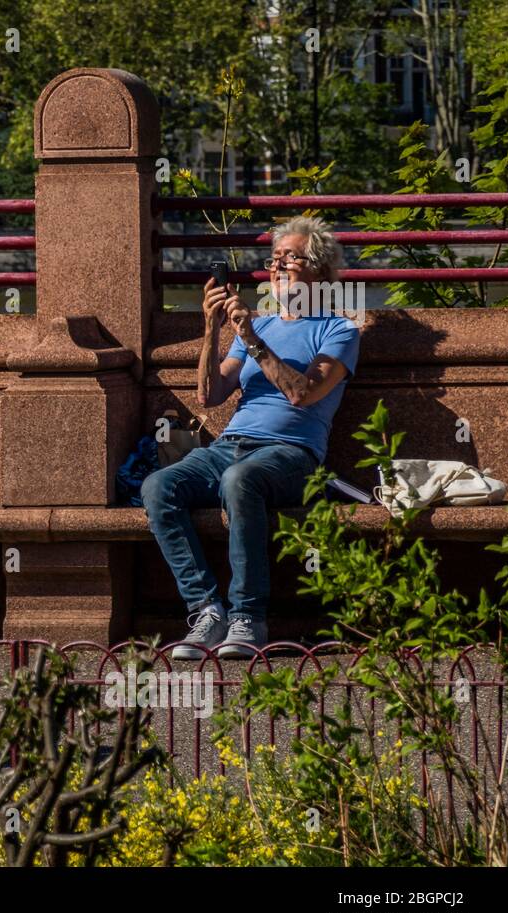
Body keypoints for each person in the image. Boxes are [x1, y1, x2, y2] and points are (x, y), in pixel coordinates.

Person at [140, 216, 361, 660]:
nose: (277, 268)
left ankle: (248, 617)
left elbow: (303, 393)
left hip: (292, 456)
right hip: (230, 445)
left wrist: (252, 339)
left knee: (240, 480)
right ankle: (206, 611)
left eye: (290, 258)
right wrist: (212, 328)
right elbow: (208, 395)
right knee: (158, 486)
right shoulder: (257, 326)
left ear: (318, 270)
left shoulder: (339, 329)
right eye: (274, 259)